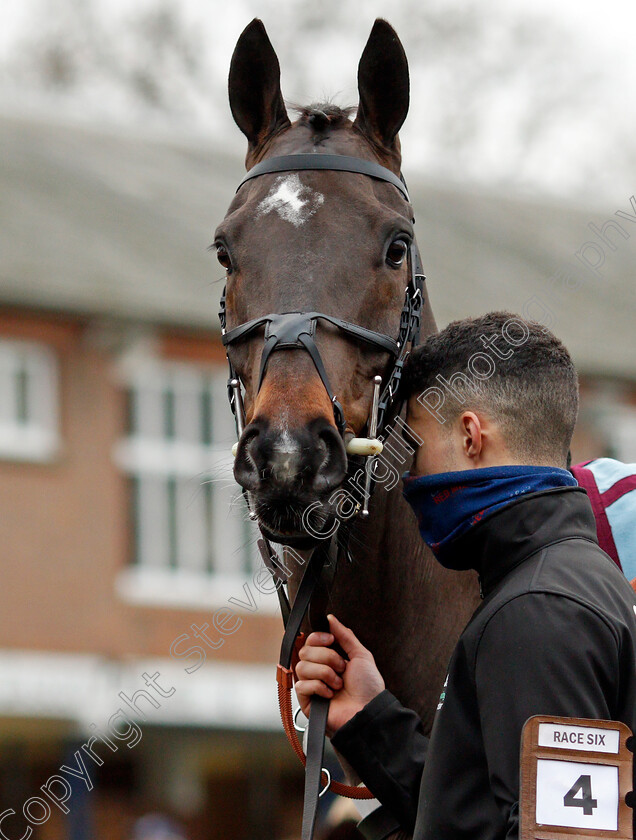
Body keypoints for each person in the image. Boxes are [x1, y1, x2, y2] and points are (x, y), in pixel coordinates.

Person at [294, 312, 636, 840]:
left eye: (416, 447)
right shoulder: (573, 582)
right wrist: (370, 720)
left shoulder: (537, 608)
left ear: (470, 435)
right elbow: (496, 817)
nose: (409, 479)